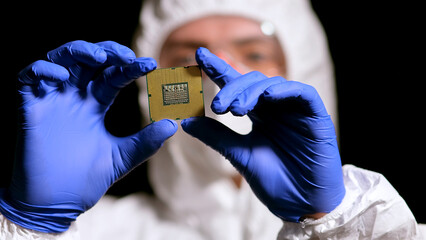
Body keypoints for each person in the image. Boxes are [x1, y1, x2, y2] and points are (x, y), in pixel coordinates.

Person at [0, 0, 424, 239]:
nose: (218, 72)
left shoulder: (384, 223)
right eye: (187, 59)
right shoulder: (95, 233)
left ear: (306, 72)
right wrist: (28, 224)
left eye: (254, 54)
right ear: (153, 84)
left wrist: (331, 219)